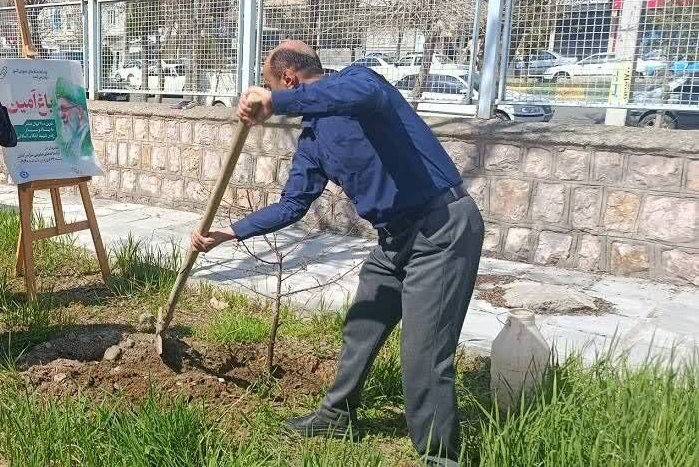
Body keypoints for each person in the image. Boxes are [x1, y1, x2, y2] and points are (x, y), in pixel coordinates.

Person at [190, 40, 484, 466]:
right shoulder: (313, 140)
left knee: (424, 356)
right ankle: (336, 415)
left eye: (278, 85)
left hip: (440, 229)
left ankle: (440, 457)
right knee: (361, 327)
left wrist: (276, 100)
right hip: (394, 240)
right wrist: (230, 233)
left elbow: (351, 96)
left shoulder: (359, 84)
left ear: (288, 79)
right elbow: (293, 204)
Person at [53, 77, 93, 161]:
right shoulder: (72, 137)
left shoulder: (87, 138)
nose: (61, 115)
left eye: (64, 109)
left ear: (79, 111)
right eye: (59, 110)